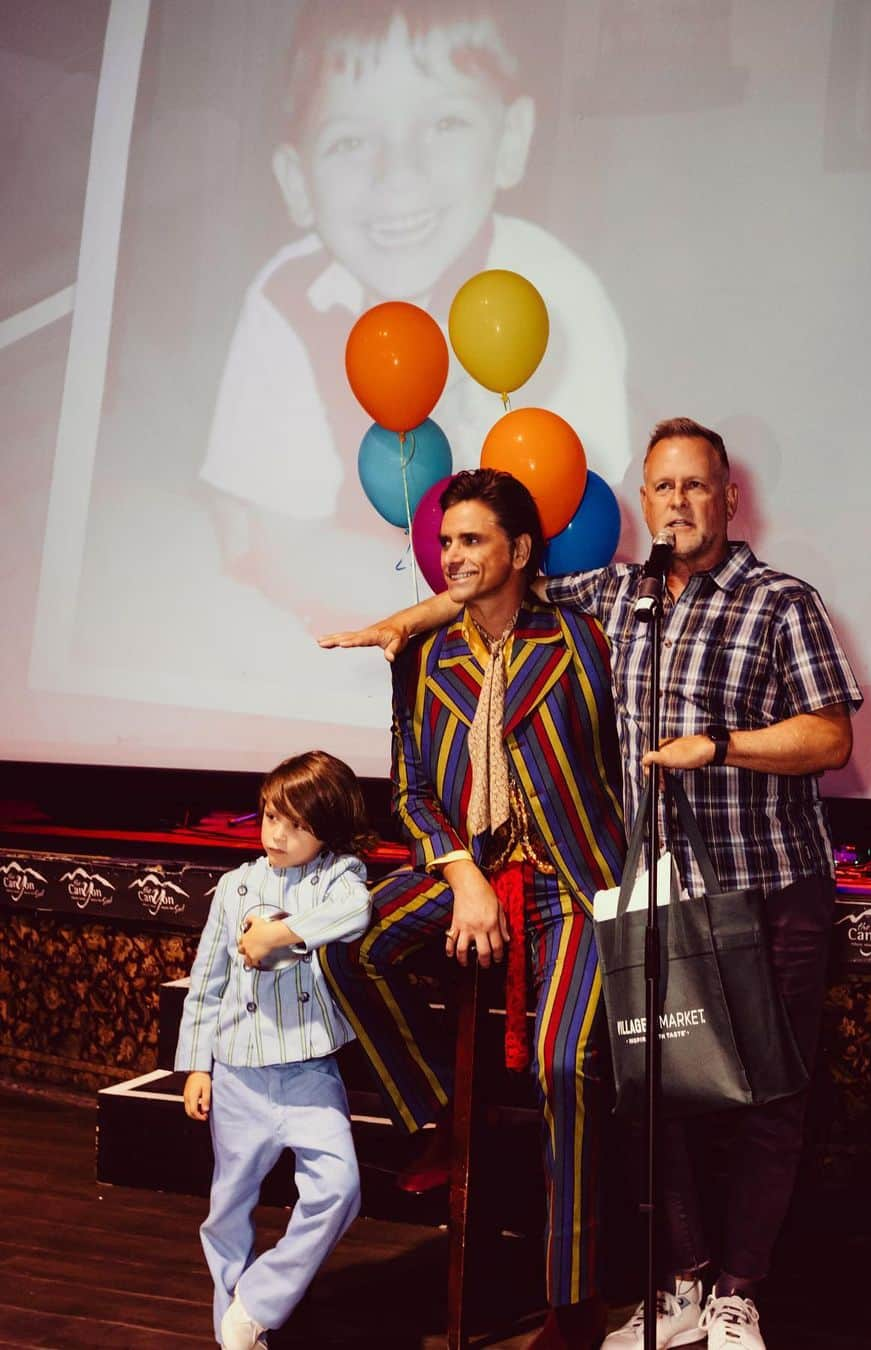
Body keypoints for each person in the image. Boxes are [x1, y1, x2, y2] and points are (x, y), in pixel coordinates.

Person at [321, 418, 863, 1350]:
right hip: (659, 895)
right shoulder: (617, 595)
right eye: (663, 488)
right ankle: (685, 1282)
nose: (679, 504)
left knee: (769, 1100)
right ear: (644, 501)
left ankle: (737, 1294)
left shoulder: (780, 601)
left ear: (731, 500)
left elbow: (830, 736)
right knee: (665, 1094)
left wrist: (721, 747)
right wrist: (409, 621)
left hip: (770, 886)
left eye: (697, 487)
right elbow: (495, 584)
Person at [200, 1, 630, 636]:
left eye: (446, 122)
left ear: (510, 141)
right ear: (296, 180)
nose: (398, 172)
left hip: (523, 621)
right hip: (345, 621)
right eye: (350, 139)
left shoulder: (555, 295)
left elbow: (579, 542)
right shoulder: (287, 298)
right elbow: (277, 546)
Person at [318, 467, 625, 1348]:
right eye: (446, 541)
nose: (451, 556)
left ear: (520, 550)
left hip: (574, 885)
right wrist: (462, 875)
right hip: (470, 873)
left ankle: (573, 1302)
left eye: (472, 540)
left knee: (566, 1070)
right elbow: (412, 793)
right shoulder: (423, 654)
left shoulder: (581, 641)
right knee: (345, 944)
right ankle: (436, 1120)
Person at [175, 749, 375, 1350]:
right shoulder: (235, 886)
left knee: (339, 1189)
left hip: (311, 1073)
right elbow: (206, 981)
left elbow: (357, 912)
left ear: (328, 826)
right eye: (268, 817)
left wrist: (280, 935)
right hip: (237, 1075)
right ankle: (234, 1332)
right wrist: (196, 1066)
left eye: (295, 822)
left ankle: (257, 1303)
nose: (277, 834)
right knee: (228, 1207)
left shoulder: (341, 877)